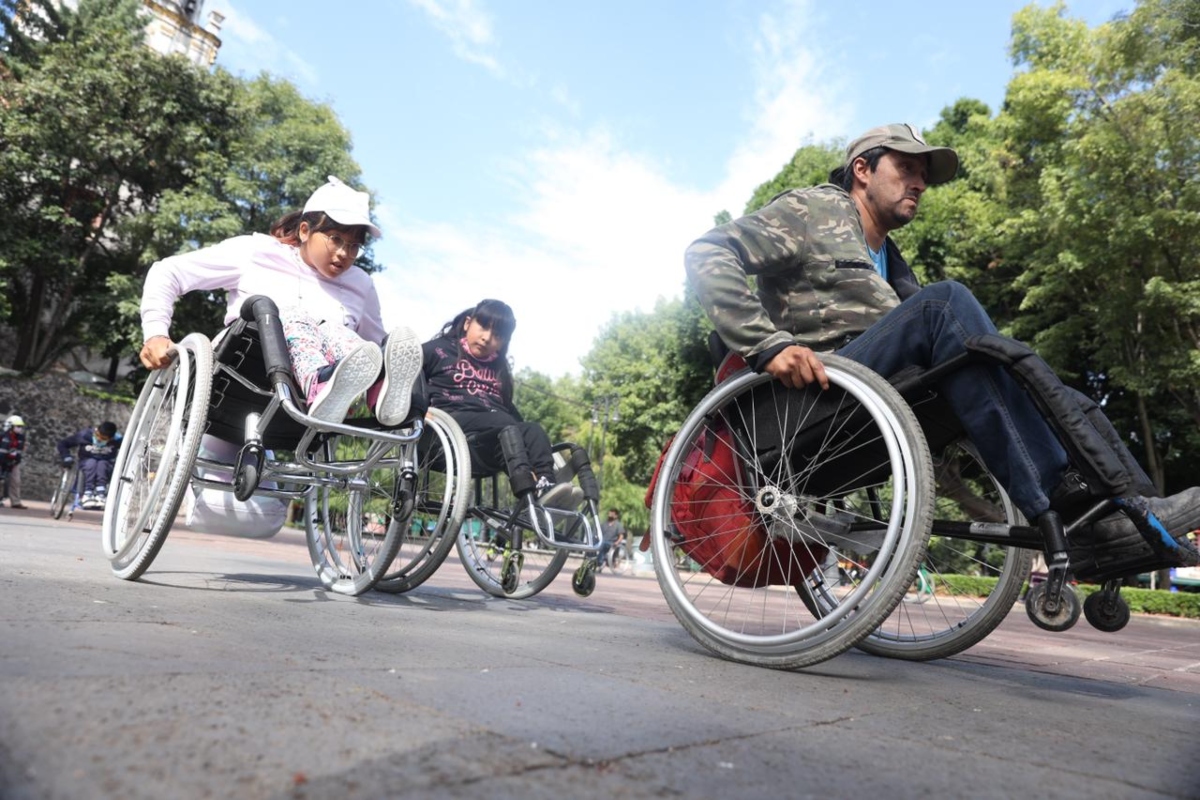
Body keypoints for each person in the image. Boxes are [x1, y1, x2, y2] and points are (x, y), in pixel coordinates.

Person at [684, 122, 1200, 578]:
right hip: (808, 403)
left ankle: (1130, 517)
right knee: (945, 303)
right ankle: (1063, 500)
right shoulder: (812, 210)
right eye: (906, 168)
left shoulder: (892, 260)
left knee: (1047, 387)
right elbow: (708, 252)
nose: (919, 184)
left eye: (924, 176)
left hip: (876, 404)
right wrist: (768, 344)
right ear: (862, 169)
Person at [139, 176, 423, 428]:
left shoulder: (360, 283)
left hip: (303, 407)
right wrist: (156, 332)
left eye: (353, 245)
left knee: (345, 335)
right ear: (304, 231)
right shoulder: (256, 252)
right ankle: (318, 383)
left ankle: (380, 392)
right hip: (242, 377)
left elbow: (372, 343)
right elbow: (169, 272)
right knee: (293, 315)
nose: (343, 253)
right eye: (335, 238)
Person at [423, 299, 581, 510]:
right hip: (448, 427)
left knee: (533, 430)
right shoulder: (438, 350)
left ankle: (546, 485)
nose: (487, 338)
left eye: (497, 335)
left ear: (504, 341)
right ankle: (529, 488)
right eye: (483, 327)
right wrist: (418, 410)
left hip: (485, 442)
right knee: (503, 421)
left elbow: (510, 412)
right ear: (468, 323)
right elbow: (403, 372)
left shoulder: (499, 369)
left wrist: (531, 446)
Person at [57, 421, 120, 510]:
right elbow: (63, 444)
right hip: (86, 462)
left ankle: (101, 494)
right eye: (98, 435)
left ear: (111, 438)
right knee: (92, 462)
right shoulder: (85, 435)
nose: (99, 439)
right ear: (96, 431)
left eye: (103, 438)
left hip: (106, 464)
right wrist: (66, 457)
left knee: (102, 464)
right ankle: (87, 493)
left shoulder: (118, 440)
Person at [0, 415, 28, 509]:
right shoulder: (2, 435)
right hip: (1, 460)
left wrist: (16, 460)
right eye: (18, 426)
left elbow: (20, 450)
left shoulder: (21, 438)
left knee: (16, 481)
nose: (19, 428)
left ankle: (15, 502)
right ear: (11, 426)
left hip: (13, 461)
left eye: (21, 427)